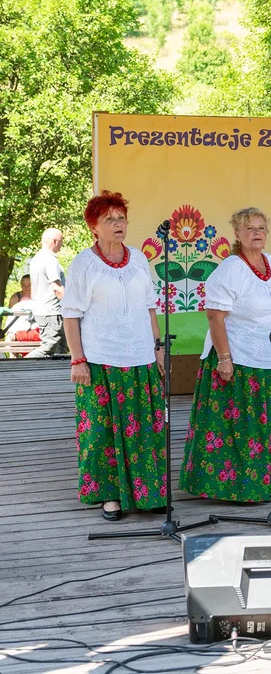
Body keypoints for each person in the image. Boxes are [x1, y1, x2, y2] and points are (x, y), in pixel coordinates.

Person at [180, 207, 271, 502]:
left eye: (262, 227)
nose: (257, 233)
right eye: (250, 228)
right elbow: (215, 317)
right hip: (240, 359)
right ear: (236, 234)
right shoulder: (230, 270)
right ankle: (239, 487)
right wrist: (224, 358)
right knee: (242, 427)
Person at [62, 192, 168, 521]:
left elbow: (150, 307)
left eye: (121, 218)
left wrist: (158, 347)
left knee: (145, 429)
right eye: (110, 219)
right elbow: (70, 315)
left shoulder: (137, 259)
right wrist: (78, 359)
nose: (118, 224)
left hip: (140, 358)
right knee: (102, 430)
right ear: (94, 226)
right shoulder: (84, 263)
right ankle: (110, 497)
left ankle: (149, 494)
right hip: (101, 360)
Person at [27, 228, 66, 358]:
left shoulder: (36, 259)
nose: (62, 245)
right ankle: (18, 365)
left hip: (41, 309)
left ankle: (57, 376)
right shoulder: (50, 259)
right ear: (55, 242)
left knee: (61, 348)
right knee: (49, 346)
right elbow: (56, 287)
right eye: (61, 241)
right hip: (51, 311)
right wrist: (70, 305)